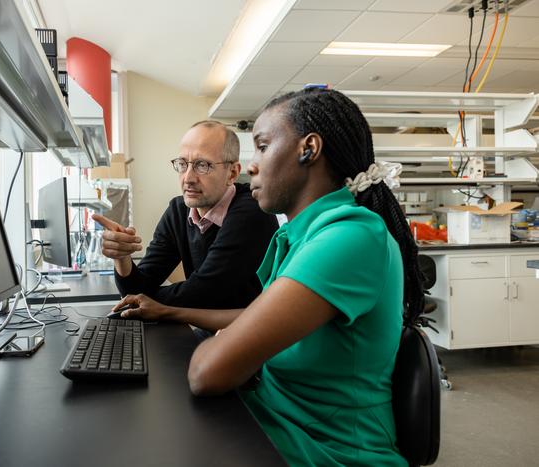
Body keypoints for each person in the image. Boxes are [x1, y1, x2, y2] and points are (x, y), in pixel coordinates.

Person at [114, 89, 424, 466]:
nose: (250, 167)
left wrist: (223, 344)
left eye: (262, 146)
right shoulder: (304, 235)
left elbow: (206, 372)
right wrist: (170, 313)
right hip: (276, 422)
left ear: (308, 149)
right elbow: (256, 315)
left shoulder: (348, 238)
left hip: (326, 452)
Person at [93, 121, 278, 318]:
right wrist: (122, 258)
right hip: (206, 329)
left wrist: (141, 298)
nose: (188, 178)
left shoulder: (252, 212)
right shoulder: (179, 211)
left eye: (202, 165)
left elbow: (205, 291)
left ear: (231, 173)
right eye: (182, 164)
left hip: (253, 338)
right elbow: (138, 288)